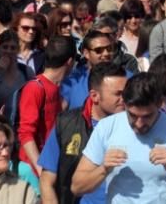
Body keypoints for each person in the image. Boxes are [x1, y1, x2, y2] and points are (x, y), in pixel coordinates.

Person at [71, 72, 166, 203]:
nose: (139, 123)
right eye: (132, 115)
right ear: (124, 103)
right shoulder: (106, 127)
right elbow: (77, 187)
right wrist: (103, 169)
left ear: (160, 103)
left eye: (147, 116)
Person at [38, 62, 127, 204]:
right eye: (118, 94)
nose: (125, 99)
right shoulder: (67, 124)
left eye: (127, 93)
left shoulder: (137, 124)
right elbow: (46, 180)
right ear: (95, 95)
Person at [17, 35, 77, 193]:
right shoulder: (35, 88)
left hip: (48, 167)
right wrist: (40, 170)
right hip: (32, 168)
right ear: (70, 62)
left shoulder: (57, 89)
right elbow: (26, 134)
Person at [60, 31, 116, 111]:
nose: (106, 53)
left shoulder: (126, 77)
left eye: (109, 48)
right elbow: (59, 115)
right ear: (86, 53)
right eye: (99, 50)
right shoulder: (72, 81)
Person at [0, 31, 31, 114]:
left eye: (13, 48)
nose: (8, 51)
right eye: (5, 47)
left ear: (18, 50)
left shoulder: (26, 72)